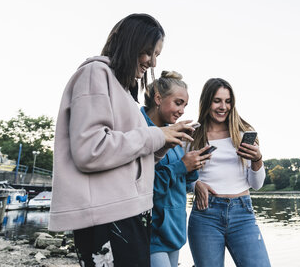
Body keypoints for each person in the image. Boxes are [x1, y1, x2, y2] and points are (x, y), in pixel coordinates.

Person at [49, 13, 194, 267]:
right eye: (149, 52)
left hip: (130, 213)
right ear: (129, 42)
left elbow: (126, 153)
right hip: (108, 218)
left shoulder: (124, 90)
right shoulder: (95, 73)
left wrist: (162, 144)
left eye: (157, 55)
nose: (152, 62)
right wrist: (155, 136)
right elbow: (90, 150)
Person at [187, 78, 271, 267]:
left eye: (227, 101)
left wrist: (257, 159)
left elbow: (256, 185)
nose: (223, 106)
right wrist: (195, 184)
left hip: (242, 213)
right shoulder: (191, 135)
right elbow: (181, 175)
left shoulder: (243, 134)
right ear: (206, 101)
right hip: (205, 214)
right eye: (217, 100)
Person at [141, 71, 213, 267]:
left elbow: (185, 184)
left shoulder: (175, 134)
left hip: (174, 231)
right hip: (151, 234)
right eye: (178, 103)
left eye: (185, 105)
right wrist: (182, 166)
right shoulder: (140, 131)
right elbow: (141, 187)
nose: (182, 111)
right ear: (158, 98)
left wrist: (194, 164)